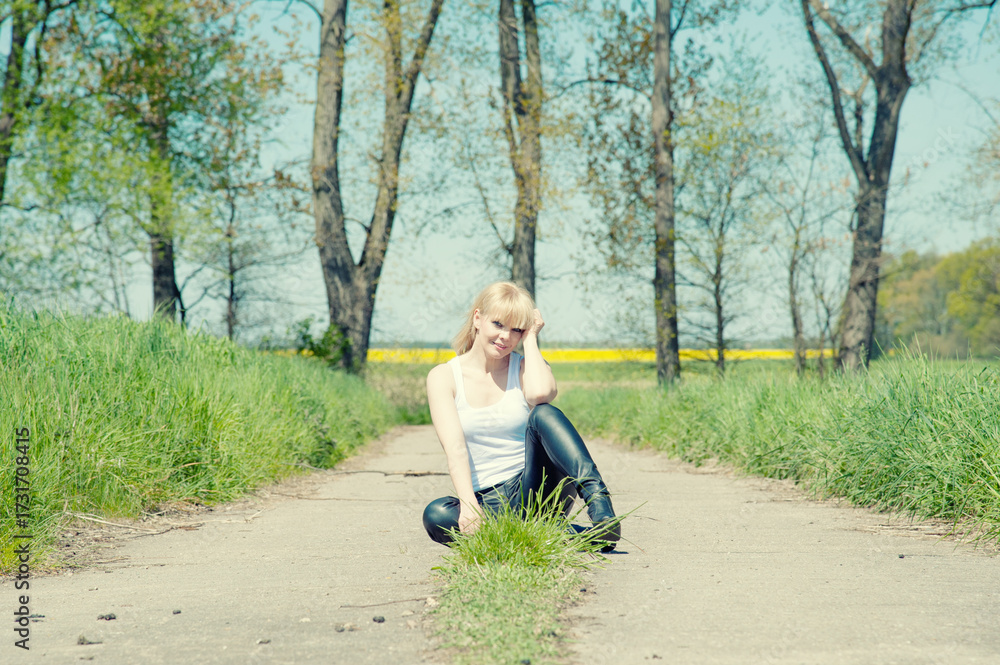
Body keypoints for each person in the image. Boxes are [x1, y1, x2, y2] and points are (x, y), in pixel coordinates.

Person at [421, 281, 620, 550]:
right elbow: (455, 449)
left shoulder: (526, 367)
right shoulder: (444, 377)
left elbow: (542, 395)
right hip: (487, 501)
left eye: (516, 329)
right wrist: (468, 505)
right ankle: (557, 534)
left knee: (543, 414)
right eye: (498, 324)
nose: (505, 336)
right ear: (478, 318)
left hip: (537, 487)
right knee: (437, 515)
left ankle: (601, 508)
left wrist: (531, 339)